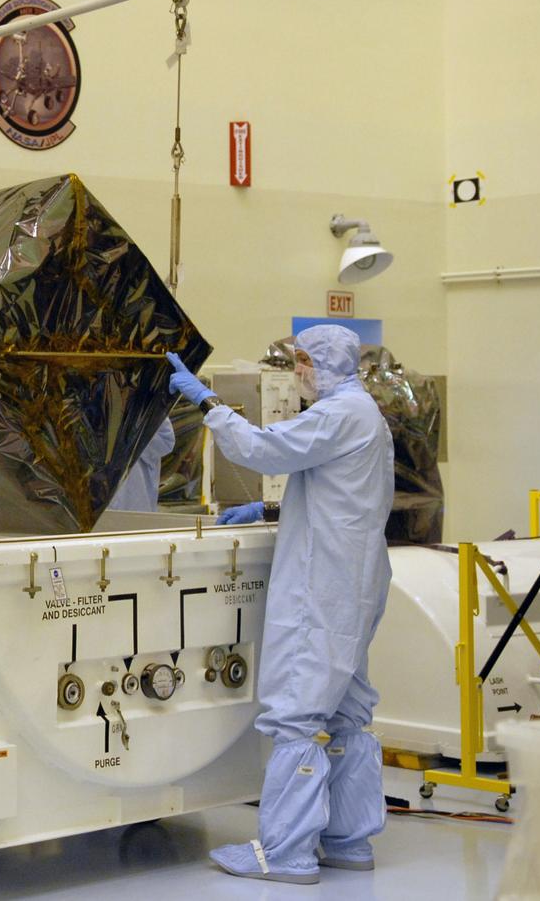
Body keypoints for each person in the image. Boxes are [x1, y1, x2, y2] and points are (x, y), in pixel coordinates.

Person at [167, 324, 393, 884]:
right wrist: (270, 514)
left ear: (318, 362)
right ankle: (348, 838)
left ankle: (286, 852)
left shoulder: (339, 413)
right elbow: (338, 488)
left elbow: (262, 450)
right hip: (356, 580)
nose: (298, 374)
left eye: (300, 364)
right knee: (346, 710)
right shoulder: (364, 415)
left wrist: (209, 403)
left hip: (322, 584)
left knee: (296, 709)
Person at [107, 418, 175, 512]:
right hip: (97, 501)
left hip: (134, 500)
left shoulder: (149, 404)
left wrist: (131, 433)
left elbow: (166, 442)